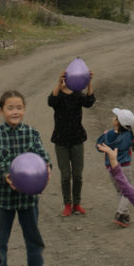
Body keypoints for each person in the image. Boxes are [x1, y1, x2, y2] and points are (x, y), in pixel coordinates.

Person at [0, 90, 53, 266]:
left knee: (33, 236)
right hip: (2, 196)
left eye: (19, 107)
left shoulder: (31, 134)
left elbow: (42, 155)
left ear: (24, 109)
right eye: (10, 108)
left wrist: (47, 167)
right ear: (1, 111)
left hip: (28, 197)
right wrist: (6, 175)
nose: (15, 111)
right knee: (1, 238)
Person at [47, 66, 95, 216]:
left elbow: (89, 101)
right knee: (65, 175)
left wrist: (88, 83)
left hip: (77, 139)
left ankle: (77, 204)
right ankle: (67, 204)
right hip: (60, 141)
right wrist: (58, 83)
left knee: (78, 175)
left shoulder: (77, 95)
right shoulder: (58, 95)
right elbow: (51, 101)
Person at [95, 107, 134, 227]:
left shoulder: (109, 134)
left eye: (115, 117)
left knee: (121, 191)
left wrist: (104, 135)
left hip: (111, 168)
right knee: (128, 191)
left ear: (117, 122)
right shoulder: (129, 135)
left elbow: (98, 146)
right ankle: (120, 213)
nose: (113, 118)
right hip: (124, 167)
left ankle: (124, 216)